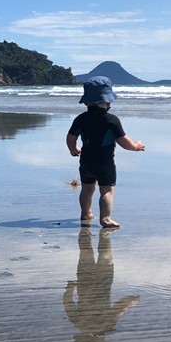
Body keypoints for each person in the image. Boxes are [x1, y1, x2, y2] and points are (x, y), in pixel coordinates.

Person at [66, 76, 145, 229]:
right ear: (106, 101)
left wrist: (73, 149)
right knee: (107, 191)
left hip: (86, 161)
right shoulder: (111, 120)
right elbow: (124, 141)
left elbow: (70, 137)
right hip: (105, 162)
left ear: (87, 102)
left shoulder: (80, 119)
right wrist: (136, 146)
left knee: (87, 189)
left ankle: (85, 213)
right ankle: (106, 219)